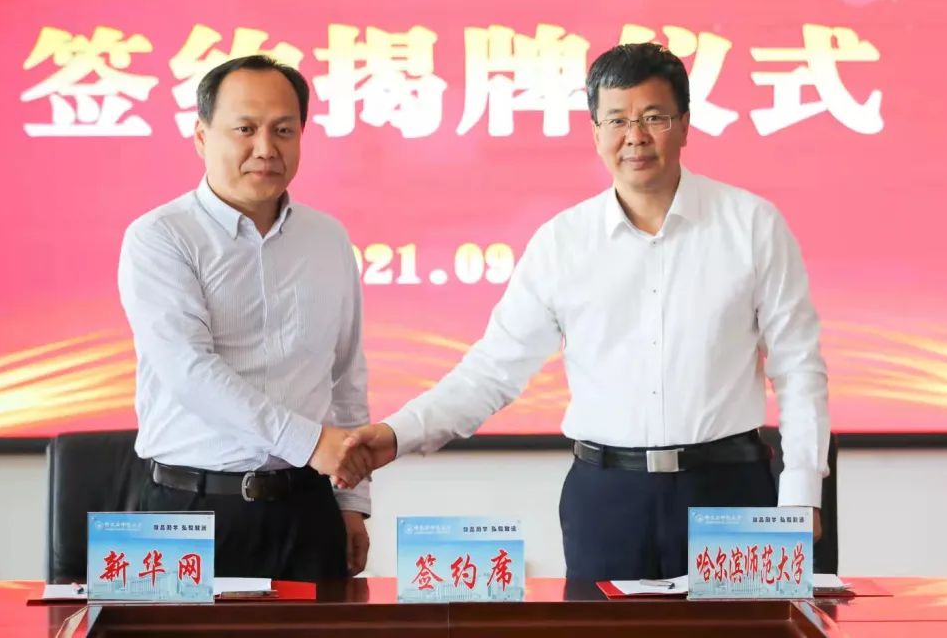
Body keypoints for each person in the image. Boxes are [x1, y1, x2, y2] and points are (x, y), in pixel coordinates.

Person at [339, 43, 830, 581]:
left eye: (654, 118)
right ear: (596, 132)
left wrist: (801, 494)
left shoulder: (752, 225)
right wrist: (396, 434)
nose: (635, 136)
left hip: (729, 491)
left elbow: (798, 367)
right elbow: (492, 372)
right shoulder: (562, 243)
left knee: (747, 626)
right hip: (608, 499)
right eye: (617, 120)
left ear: (685, 125)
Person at [118, 55, 373, 580]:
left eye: (284, 130)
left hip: (308, 510)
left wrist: (352, 501)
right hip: (189, 509)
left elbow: (346, 374)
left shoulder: (327, 239)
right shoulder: (160, 237)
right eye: (245, 129)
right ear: (201, 136)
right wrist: (310, 443)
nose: (266, 148)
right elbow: (189, 371)